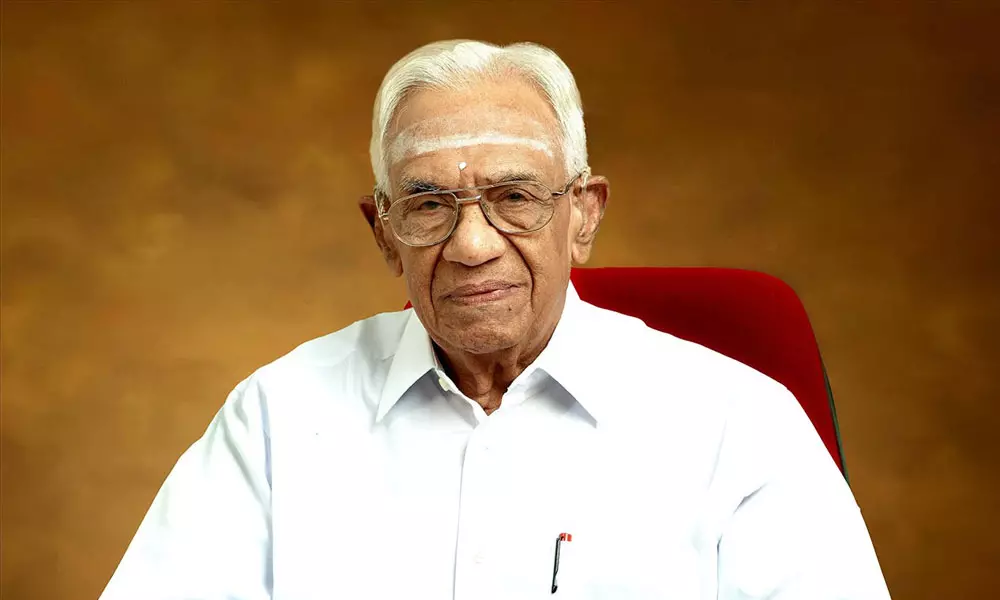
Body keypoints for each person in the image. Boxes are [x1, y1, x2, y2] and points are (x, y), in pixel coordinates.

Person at [100, 40, 891, 599]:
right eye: (428, 204)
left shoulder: (738, 425)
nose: (472, 245)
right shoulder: (278, 415)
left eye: (515, 196)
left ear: (583, 215)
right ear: (384, 233)